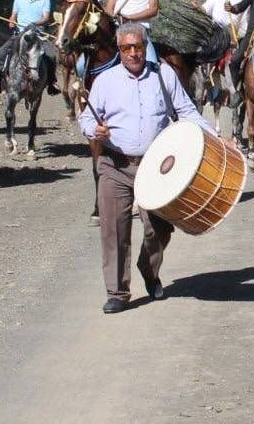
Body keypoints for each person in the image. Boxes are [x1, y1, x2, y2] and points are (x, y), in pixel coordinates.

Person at [78, 22, 216, 314]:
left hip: (157, 165)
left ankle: (148, 267)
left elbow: (187, 112)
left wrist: (216, 140)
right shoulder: (105, 80)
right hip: (114, 164)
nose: (132, 53)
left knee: (160, 229)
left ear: (145, 47)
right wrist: (95, 132)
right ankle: (117, 292)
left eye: (137, 47)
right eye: (126, 48)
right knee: (114, 229)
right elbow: (86, 118)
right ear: (119, 50)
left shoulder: (164, 75)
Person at [0, 0, 59, 95]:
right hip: (20, 34)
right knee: (1, 52)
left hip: (38, 35)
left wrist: (34, 24)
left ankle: (51, 83)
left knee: (51, 54)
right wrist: (11, 21)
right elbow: (13, 16)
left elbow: (46, 17)